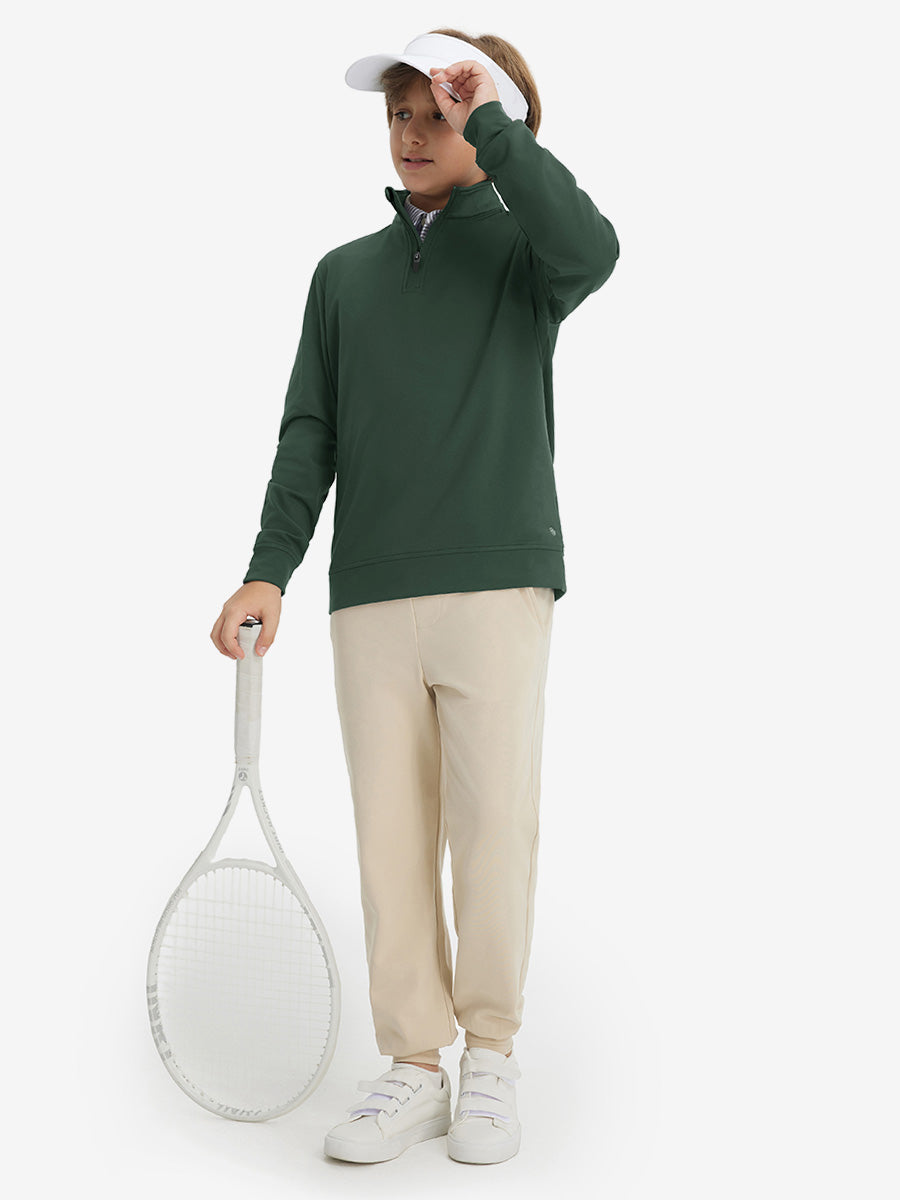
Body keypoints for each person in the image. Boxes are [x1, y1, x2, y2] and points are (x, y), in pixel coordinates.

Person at [210, 28, 618, 1164]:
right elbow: (310, 432)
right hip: (371, 597)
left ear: (493, 124)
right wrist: (269, 567)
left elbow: (596, 246)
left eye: (440, 113)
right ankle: (413, 1066)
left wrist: (497, 121)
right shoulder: (343, 276)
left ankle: (491, 1056)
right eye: (400, 112)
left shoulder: (530, 255)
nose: (412, 133)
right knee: (390, 838)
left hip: (496, 584)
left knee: (494, 829)